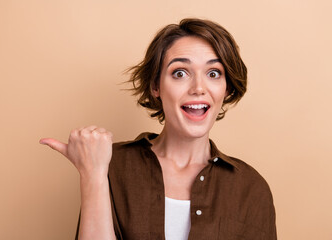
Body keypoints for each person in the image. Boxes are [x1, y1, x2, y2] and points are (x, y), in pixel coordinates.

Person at [40, 18, 277, 240]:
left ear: (226, 89)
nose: (198, 88)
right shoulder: (112, 166)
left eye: (213, 73)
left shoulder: (251, 188)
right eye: (180, 73)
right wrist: (92, 174)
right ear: (156, 86)